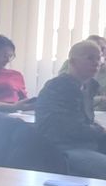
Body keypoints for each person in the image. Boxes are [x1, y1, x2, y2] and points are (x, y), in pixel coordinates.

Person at [36, 40, 106, 178]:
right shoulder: (59, 87)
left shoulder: (88, 86)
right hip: (61, 148)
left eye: (99, 58)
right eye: (90, 58)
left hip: (86, 144)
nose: (96, 63)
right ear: (72, 62)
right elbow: (69, 127)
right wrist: (100, 131)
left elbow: (85, 121)